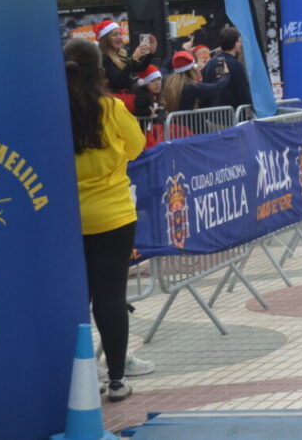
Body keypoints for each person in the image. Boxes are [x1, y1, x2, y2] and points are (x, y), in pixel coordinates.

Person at [64, 39, 151, 402]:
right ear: (100, 71)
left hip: (68, 222)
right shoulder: (111, 108)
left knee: (74, 301)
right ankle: (117, 380)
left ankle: (76, 378)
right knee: (111, 298)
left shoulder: (53, 111)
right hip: (114, 216)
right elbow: (137, 146)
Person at [95, 20, 155, 108]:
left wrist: (150, 53)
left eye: (120, 34)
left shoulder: (121, 54)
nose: (119, 37)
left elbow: (139, 68)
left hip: (124, 100)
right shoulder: (103, 58)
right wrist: (133, 59)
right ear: (105, 39)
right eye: (115, 34)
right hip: (115, 103)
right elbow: (118, 81)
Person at [161, 51, 231, 114]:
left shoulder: (168, 81)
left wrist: (180, 54)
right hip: (189, 126)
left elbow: (164, 67)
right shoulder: (191, 87)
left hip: (173, 125)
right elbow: (216, 87)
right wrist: (226, 75)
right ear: (191, 70)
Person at [200, 26, 251, 110]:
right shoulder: (236, 65)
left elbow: (205, 94)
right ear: (236, 44)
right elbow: (244, 95)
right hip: (233, 119)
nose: (241, 45)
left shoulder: (211, 63)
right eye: (240, 41)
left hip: (212, 117)